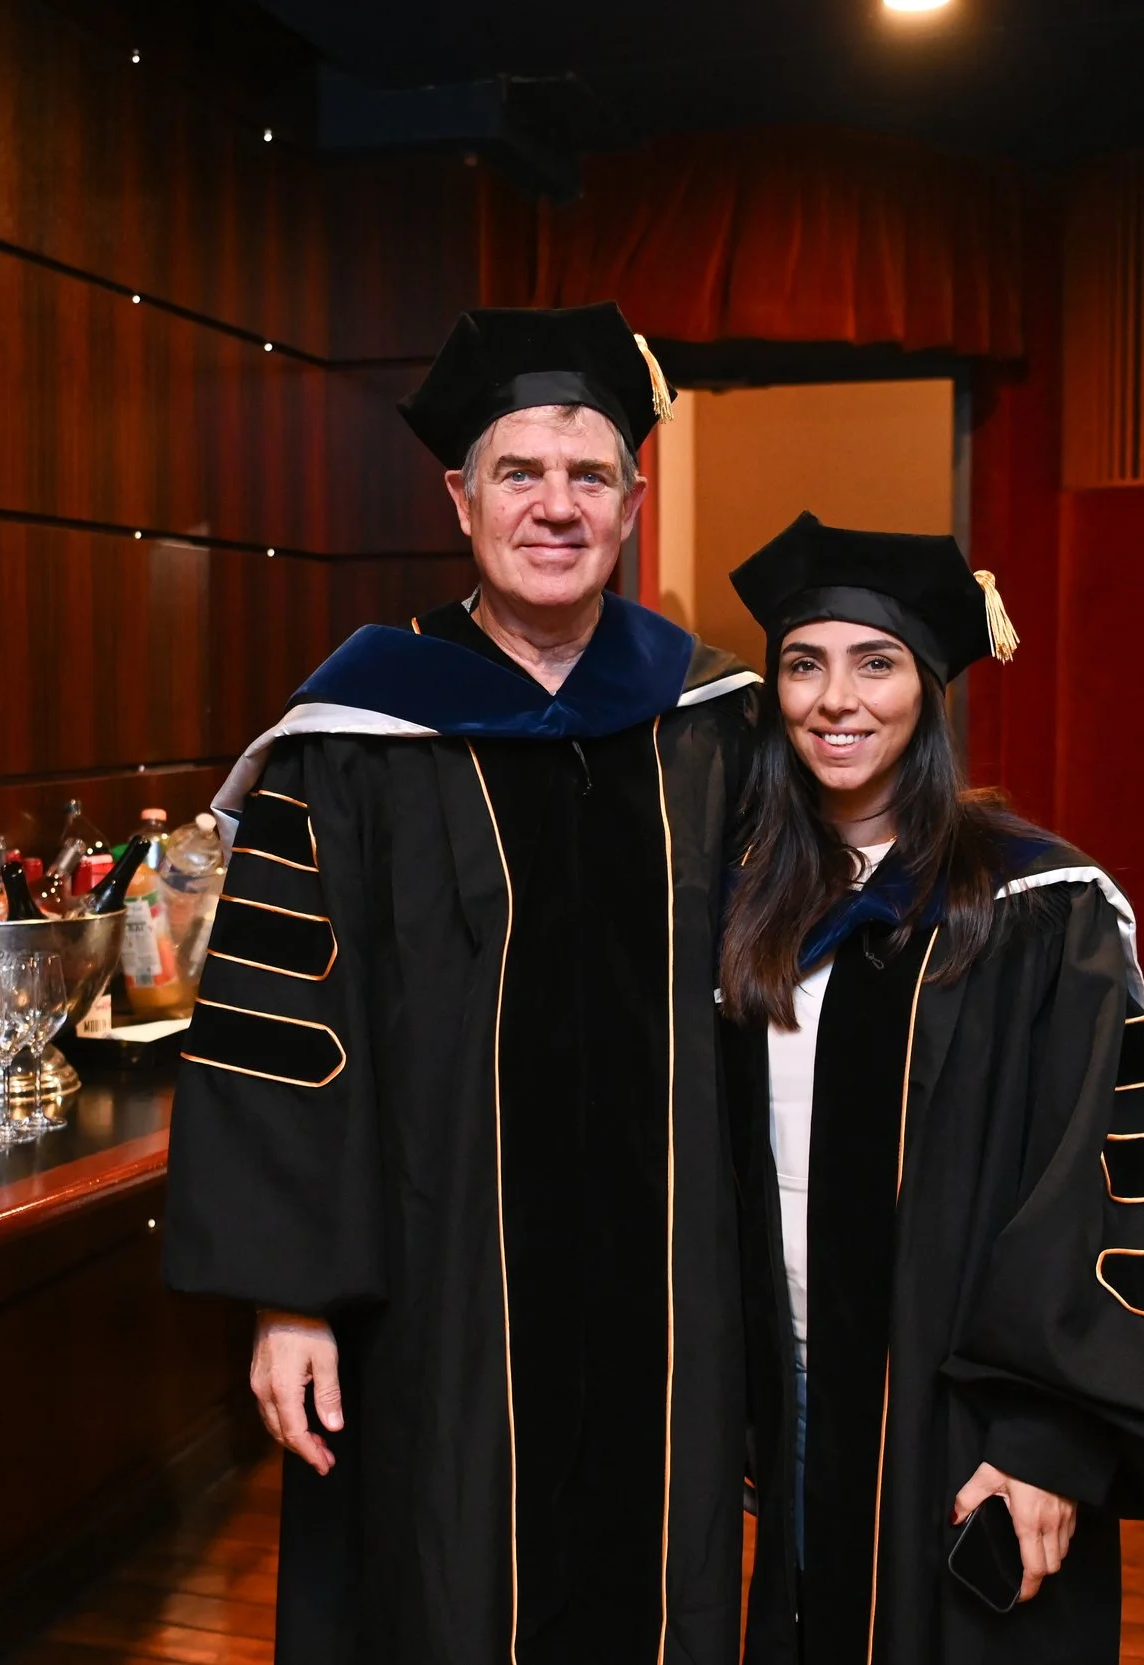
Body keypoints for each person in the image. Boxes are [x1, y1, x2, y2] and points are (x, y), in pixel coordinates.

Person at [163, 302, 762, 1665]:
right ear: (460, 498)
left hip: (669, 1291)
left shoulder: (714, 728)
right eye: (520, 473)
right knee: (436, 1589)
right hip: (434, 1300)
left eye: (589, 475)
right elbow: (277, 1028)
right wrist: (289, 1294)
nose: (556, 507)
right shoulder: (359, 736)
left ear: (632, 502)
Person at [717, 513, 1144, 1663]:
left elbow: (1098, 1183)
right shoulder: (739, 902)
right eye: (803, 664)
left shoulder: (1033, 907)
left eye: (875, 663)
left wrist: (1047, 1439)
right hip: (796, 1397)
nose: (836, 699)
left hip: (969, 1413)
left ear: (927, 692)